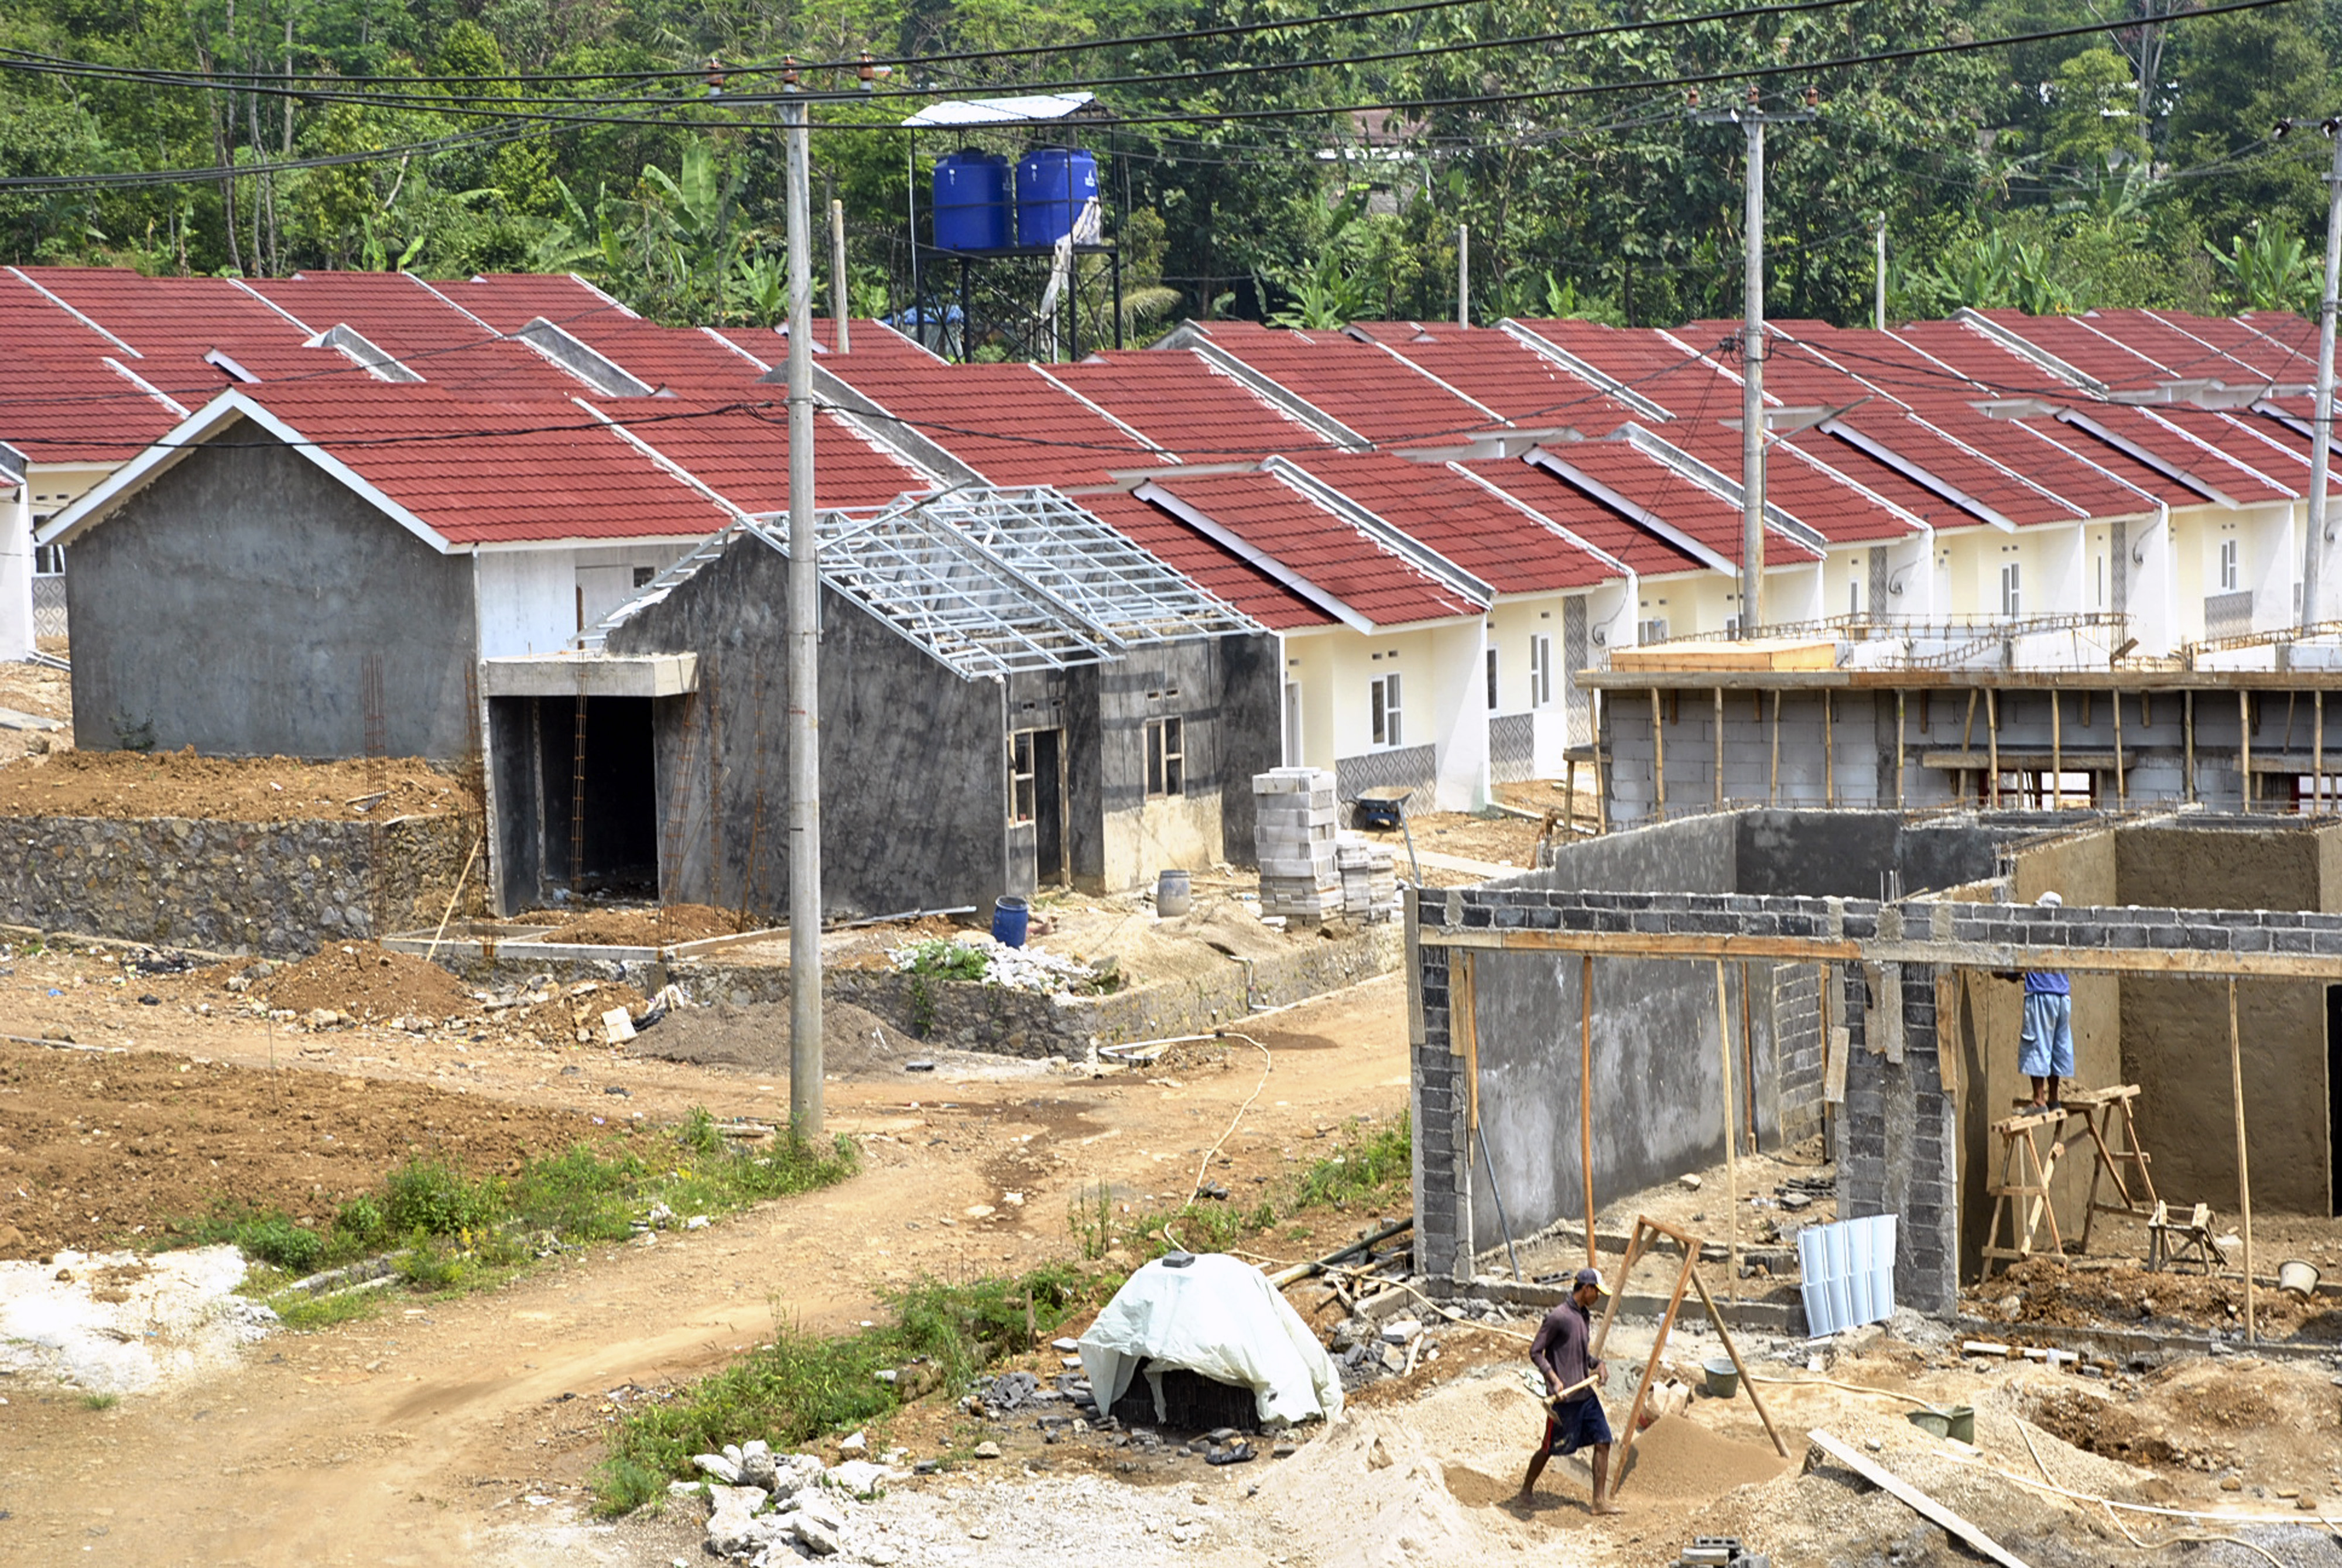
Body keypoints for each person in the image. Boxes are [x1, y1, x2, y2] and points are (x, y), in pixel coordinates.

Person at [1516, 1266, 1622, 1516]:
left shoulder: (1583, 1316)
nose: (1598, 1297)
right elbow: (1535, 1352)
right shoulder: (1559, 1317)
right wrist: (1553, 1378)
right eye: (1597, 1292)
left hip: (1585, 1395)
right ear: (1586, 1289)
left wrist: (1598, 1364)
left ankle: (1598, 1502)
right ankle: (1525, 1491)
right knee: (1550, 1448)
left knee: (1603, 1440)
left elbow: (1580, 1354)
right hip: (1565, 1400)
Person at [2014, 890, 2073, 1115]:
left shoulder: (2037, 933)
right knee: (2057, 1046)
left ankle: (2039, 1101)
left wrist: (2007, 973)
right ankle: (2054, 1098)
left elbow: (2018, 963)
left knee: (2037, 1044)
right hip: (2062, 997)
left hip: (2041, 996)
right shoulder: (2063, 934)